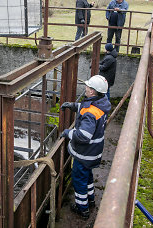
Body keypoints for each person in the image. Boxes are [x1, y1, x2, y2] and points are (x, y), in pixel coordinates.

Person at [60, 75, 111, 219]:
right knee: (87, 176)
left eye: (88, 87)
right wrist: (73, 106)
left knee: (79, 180)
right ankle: (91, 200)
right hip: (93, 152)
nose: (86, 88)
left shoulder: (90, 113)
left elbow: (83, 135)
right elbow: (87, 108)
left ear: (93, 92)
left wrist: (68, 132)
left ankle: (82, 209)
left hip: (84, 153)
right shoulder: (102, 103)